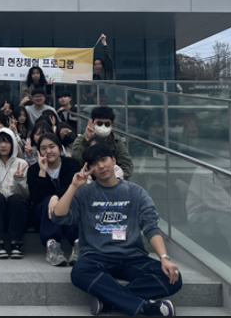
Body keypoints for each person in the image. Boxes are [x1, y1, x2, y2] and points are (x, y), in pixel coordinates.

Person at [51, 144, 182, 316]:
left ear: (113, 160)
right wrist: (74, 186)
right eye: (94, 163)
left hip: (132, 257)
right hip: (96, 257)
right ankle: (144, 306)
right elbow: (58, 217)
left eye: (103, 160)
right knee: (80, 272)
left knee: (173, 277)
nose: (101, 166)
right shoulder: (84, 194)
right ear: (89, 169)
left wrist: (164, 258)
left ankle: (108, 301)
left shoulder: (136, 192)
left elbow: (150, 226)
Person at [28, 133, 81, 267]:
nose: (48, 151)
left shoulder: (72, 164)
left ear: (59, 147)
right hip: (43, 216)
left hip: (69, 213)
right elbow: (36, 198)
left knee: (71, 199)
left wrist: (56, 197)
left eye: (52, 146)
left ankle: (78, 244)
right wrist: (42, 171)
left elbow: (72, 186)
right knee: (47, 201)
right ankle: (52, 246)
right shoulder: (33, 170)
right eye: (43, 148)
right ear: (39, 152)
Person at [0, 129, 30, 259]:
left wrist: (19, 181)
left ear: (13, 144)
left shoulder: (22, 164)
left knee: (16, 199)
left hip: (16, 214)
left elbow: (26, 195)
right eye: (0, 142)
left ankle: (16, 242)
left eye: (7, 142)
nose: (3, 145)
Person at [71, 107, 134, 180]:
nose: (103, 126)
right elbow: (76, 162)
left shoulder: (116, 140)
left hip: (114, 180)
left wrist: (113, 179)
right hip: (89, 180)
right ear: (92, 123)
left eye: (107, 124)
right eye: (99, 123)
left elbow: (126, 165)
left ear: (112, 125)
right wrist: (87, 141)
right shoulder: (81, 140)